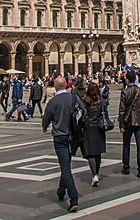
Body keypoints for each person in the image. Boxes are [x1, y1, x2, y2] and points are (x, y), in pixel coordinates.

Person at [42, 75, 80, 212]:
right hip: (73, 136)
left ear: (56, 87)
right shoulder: (73, 98)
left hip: (60, 137)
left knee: (65, 167)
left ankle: (74, 198)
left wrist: (45, 127)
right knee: (67, 164)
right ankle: (60, 191)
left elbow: (46, 118)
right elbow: (83, 112)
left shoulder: (53, 101)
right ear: (65, 85)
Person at [117, 70, 140, 179]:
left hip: (128, 122)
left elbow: (122, 110)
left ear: (127, 80)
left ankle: (126, 167)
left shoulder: (125, 92)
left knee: (126, 145)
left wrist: (121, 124)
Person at [82, 84, 107, 187]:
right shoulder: (101, 102)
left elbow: (83, 115)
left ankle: (94, 175)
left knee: (90, 153)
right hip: (99, 128)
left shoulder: (85, 101)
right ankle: (97, 172)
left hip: (89, 128)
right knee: (98, 152)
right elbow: (105, 114)